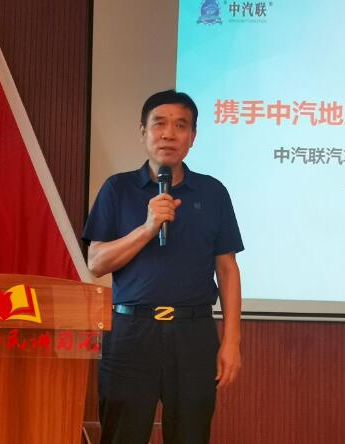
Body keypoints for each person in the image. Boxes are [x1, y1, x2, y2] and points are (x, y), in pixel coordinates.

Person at [82, 90, 243, 444]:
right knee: (121, 436)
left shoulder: (213, 192)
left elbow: (227, 269)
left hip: (194, 333)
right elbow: (96, 262)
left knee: (191, 435)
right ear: (143, 131)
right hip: (130, 333)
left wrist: (231, 341)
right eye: (159, 124)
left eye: (181, 126)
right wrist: (147, 228)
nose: (169, 134)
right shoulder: (118, 189)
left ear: (193, 137)